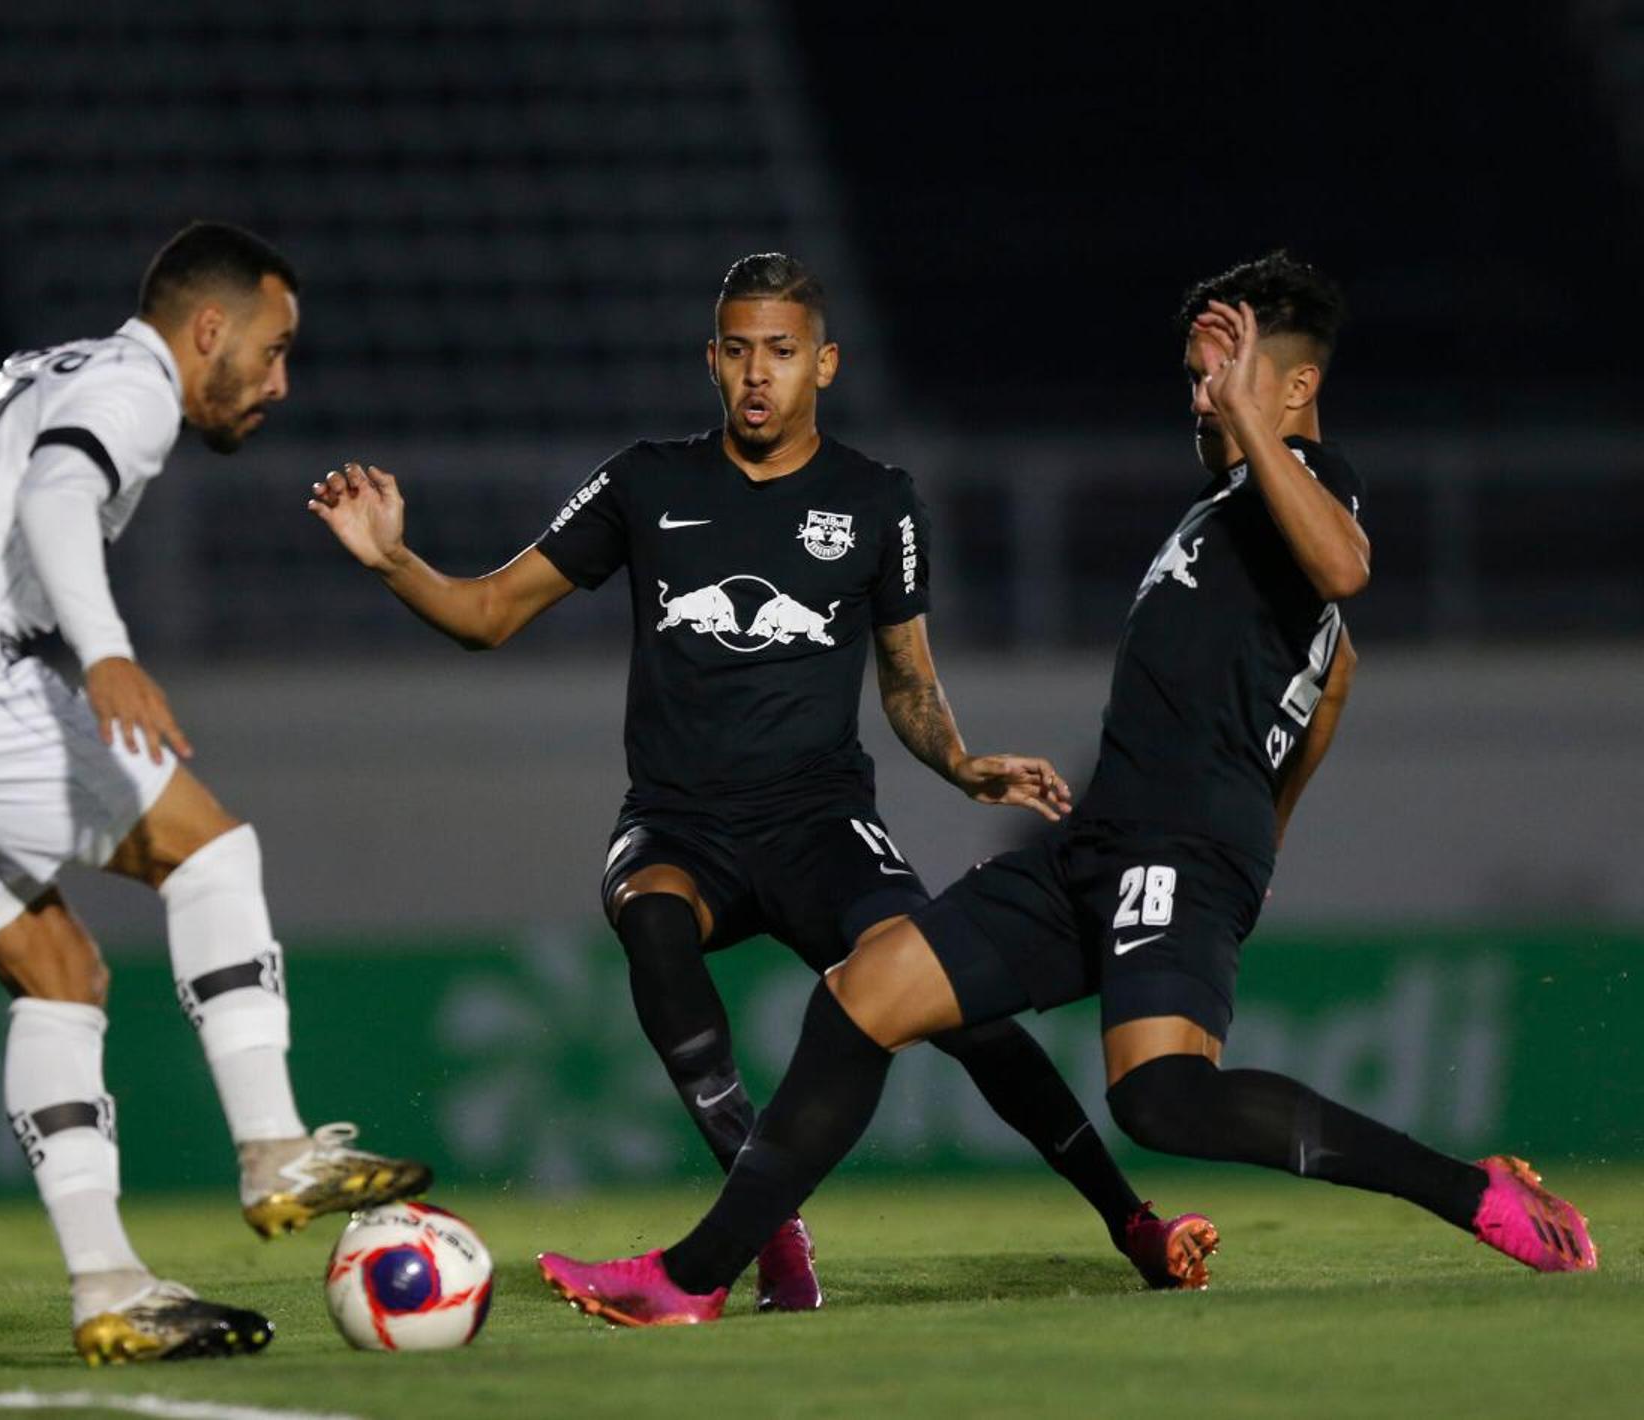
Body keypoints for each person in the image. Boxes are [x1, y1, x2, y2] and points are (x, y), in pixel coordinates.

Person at [536, 250, 1598, 1327]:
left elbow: (1349, 573)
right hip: (1097, 847)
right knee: (864, 993)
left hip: (1174, 851)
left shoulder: (1308, 485)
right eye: (1193, 379)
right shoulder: (1224, 513)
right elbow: (1337, 678)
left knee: (1163, 1098)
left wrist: (1234, 853)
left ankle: (1474, 1192)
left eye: (1222, 378)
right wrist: (1264, 834)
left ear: (1294, 387)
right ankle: (695, 1275)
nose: (1200, 400)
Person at [311, 253, 1213, 1308]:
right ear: (711, 359)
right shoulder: (646, 480)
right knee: (649, 917)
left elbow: (910, 685)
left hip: (821, 824)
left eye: (780, 352)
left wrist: (963, 762)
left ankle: (1132, 1221)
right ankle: (766, 1212)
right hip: (678, 823)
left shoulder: (878, 501)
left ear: (821, 363)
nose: (756, 373)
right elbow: (488, 614)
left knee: (957, 1006)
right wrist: (392, 562)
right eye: (737, 350)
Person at [0, 221, 431, 1364]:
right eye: (274, 350)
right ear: (209, 328)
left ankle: (108, 1284)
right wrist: (106, 652)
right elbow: (53, 495)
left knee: (60, 971)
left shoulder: (24, 372)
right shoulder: (132, 385)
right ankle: (275, 1145)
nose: (280, 381)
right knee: (212, 852)